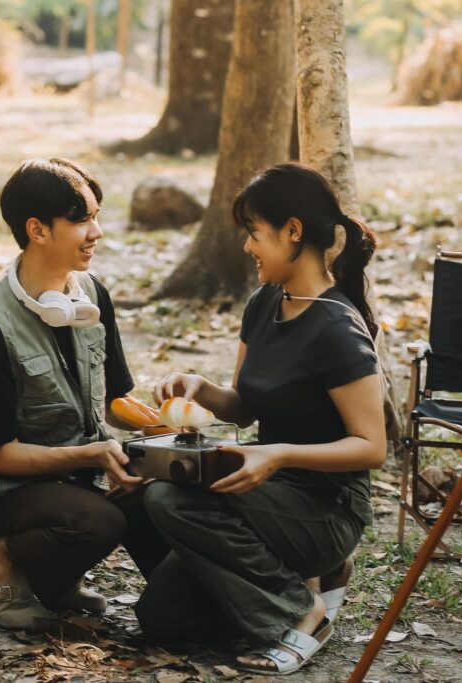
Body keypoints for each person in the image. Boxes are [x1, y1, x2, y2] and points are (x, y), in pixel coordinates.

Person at [136, 162, 387, 675]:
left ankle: (303, 612)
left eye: (254, 233)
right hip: (262, 496)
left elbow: (371, 446)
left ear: (293, 231)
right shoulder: (265, 303)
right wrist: (203, 390)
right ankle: (304, 579)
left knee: (169, 499)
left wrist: (279, 454)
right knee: (163, 618)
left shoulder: (338, 330)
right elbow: (246, 405)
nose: (247, 246)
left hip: (326, 506)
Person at [0, 157, 143, 630]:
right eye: (81, 220)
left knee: (161, 491)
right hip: (13, 493)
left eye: (96, 216)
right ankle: (1, 563)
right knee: (98, 522)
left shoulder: (92, 293)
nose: (96, 232)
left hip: (79, 478)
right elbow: (3, 457)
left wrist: (179, 427)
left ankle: (53, 581)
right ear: (37, 230)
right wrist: (93, 454)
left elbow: (118, 400)